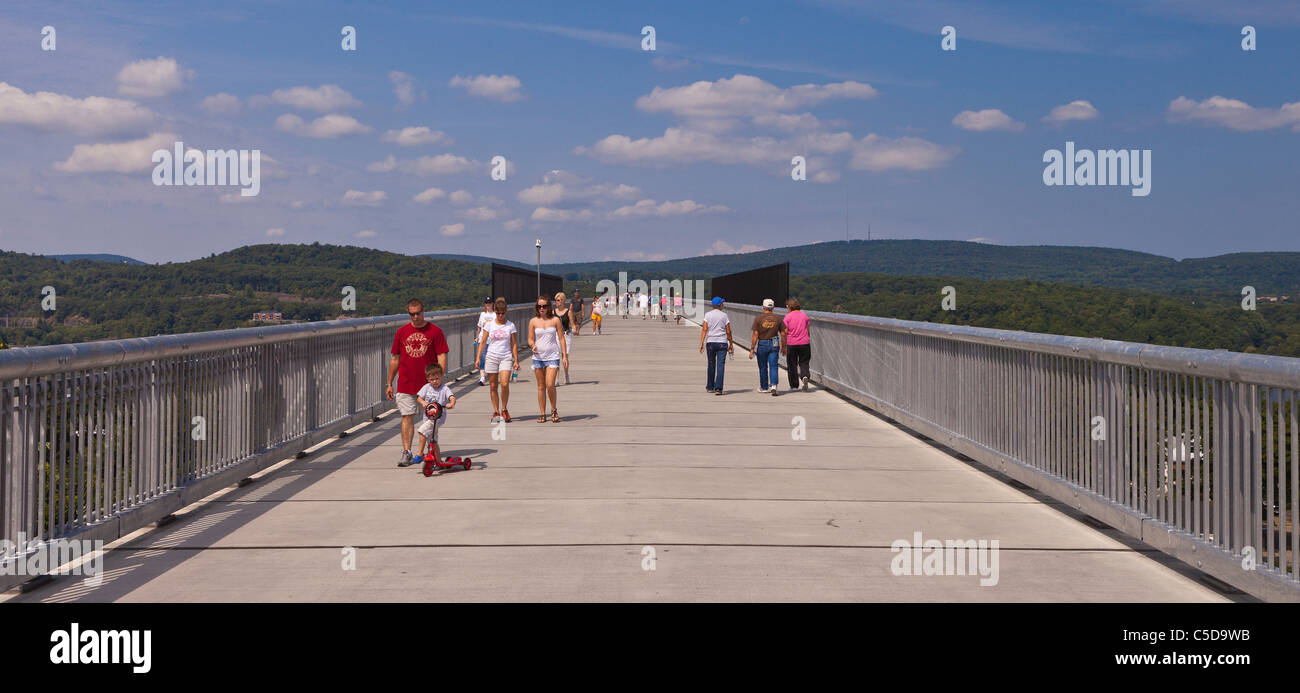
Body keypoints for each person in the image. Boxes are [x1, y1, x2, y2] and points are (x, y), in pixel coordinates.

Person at [387, 298, 449, 467]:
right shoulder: (401, 332)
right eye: (412, 314)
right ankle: (407, 451)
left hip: (429, 385)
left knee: (431, 419)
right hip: (406, 383)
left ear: (424, 311)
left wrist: (439, 378)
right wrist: (389, 382)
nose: (415, 317)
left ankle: (431, 451)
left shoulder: (435, 332)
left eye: (418, 313)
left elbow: (442, 355)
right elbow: (395, 358)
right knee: (407, 416)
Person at [474, 297, 520, 422]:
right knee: (493, 386)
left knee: (504, 384)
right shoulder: (490, 324)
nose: (500, 315)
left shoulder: (511, 325)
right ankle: (496, 411)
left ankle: (504, 409)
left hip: (505, 356)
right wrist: (478, 358)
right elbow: (483, 342)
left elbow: (514, 343)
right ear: (495, 312)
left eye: (502, 313)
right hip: (491, 356)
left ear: (506, 312)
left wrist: (516, 360)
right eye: (498, 313)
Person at [528, 294, 568, 422]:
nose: (541, 308)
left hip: (552, 355)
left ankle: (554, 410)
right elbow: (529, 338)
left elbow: (561, 338)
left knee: (550, 384)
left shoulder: (555, 320)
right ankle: (542, 413)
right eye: (539, 306)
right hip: (538, 357)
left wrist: (565, 356)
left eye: (544, 306)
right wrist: (533, 345)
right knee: (541, 386)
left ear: (548, 307)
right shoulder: (533, 321)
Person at [414, 363, 456, 463]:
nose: (434, 381)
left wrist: (451, 403)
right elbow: (419, 397)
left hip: (438, 418)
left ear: (441, 376)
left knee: (421, 431)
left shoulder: (444, 388)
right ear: (428, 379)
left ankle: (419, 454)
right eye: (432, 379)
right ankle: (439, 462)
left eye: (437, 378)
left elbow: (452, 397)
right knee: (433, 441)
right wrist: (423, 402)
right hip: (427, 418)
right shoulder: (426, 387)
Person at [749, 298, 786, 396]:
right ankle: (773, 385)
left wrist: (752, 348)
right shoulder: (778, 319)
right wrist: (784, 346)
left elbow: (755, 334)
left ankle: (764, 387)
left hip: (762, 343)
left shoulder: (758, 318)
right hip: (774, 343)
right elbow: (783, 333)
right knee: (773, 365)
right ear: (773, 307)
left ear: (763, 307)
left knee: (763, 366)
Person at [699, 296, 733, 395]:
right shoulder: (724, 315)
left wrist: (701, 343)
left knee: (711, 364)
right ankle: (718, 388)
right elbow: (728, 331)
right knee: (720, 365)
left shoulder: (707, 315)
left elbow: (704, 329)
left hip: (710, 342)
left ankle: (710, 387)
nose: (723, 305)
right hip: (722, 342)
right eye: (722, 303)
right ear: (719, 305)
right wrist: (731, 343)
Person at [783, 297, 813, 392]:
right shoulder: (805, 316)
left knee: (792, 364)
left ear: (789, 307)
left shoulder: (787, 317)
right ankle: (804, 376)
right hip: (804, 343)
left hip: (792, 343)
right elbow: (808, 330)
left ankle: (794, 385)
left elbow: (785, 331)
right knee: (804, 362)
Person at [554, 291, 576, 384]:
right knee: (556, 357)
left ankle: (566, 375)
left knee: (565, 356)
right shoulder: (553, 312)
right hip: (556, 336)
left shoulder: (568, 312)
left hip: (566, 336)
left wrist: (574, 330)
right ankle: (556, 379)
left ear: (563, 301)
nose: (557, 302)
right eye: (556, 300)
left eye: (558, 300)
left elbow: (573, 325)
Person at [474, 296, 494, 386]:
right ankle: (482, 377)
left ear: (492, 304)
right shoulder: (482, 314)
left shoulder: (495, 314)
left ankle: (491, 375)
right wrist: (477, 337)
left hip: (492, 340)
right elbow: (479, 327)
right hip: (482, 339)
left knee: (490, 358)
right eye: (486, 303)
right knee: (482, 357)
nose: (488, 305)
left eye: (489, 303)